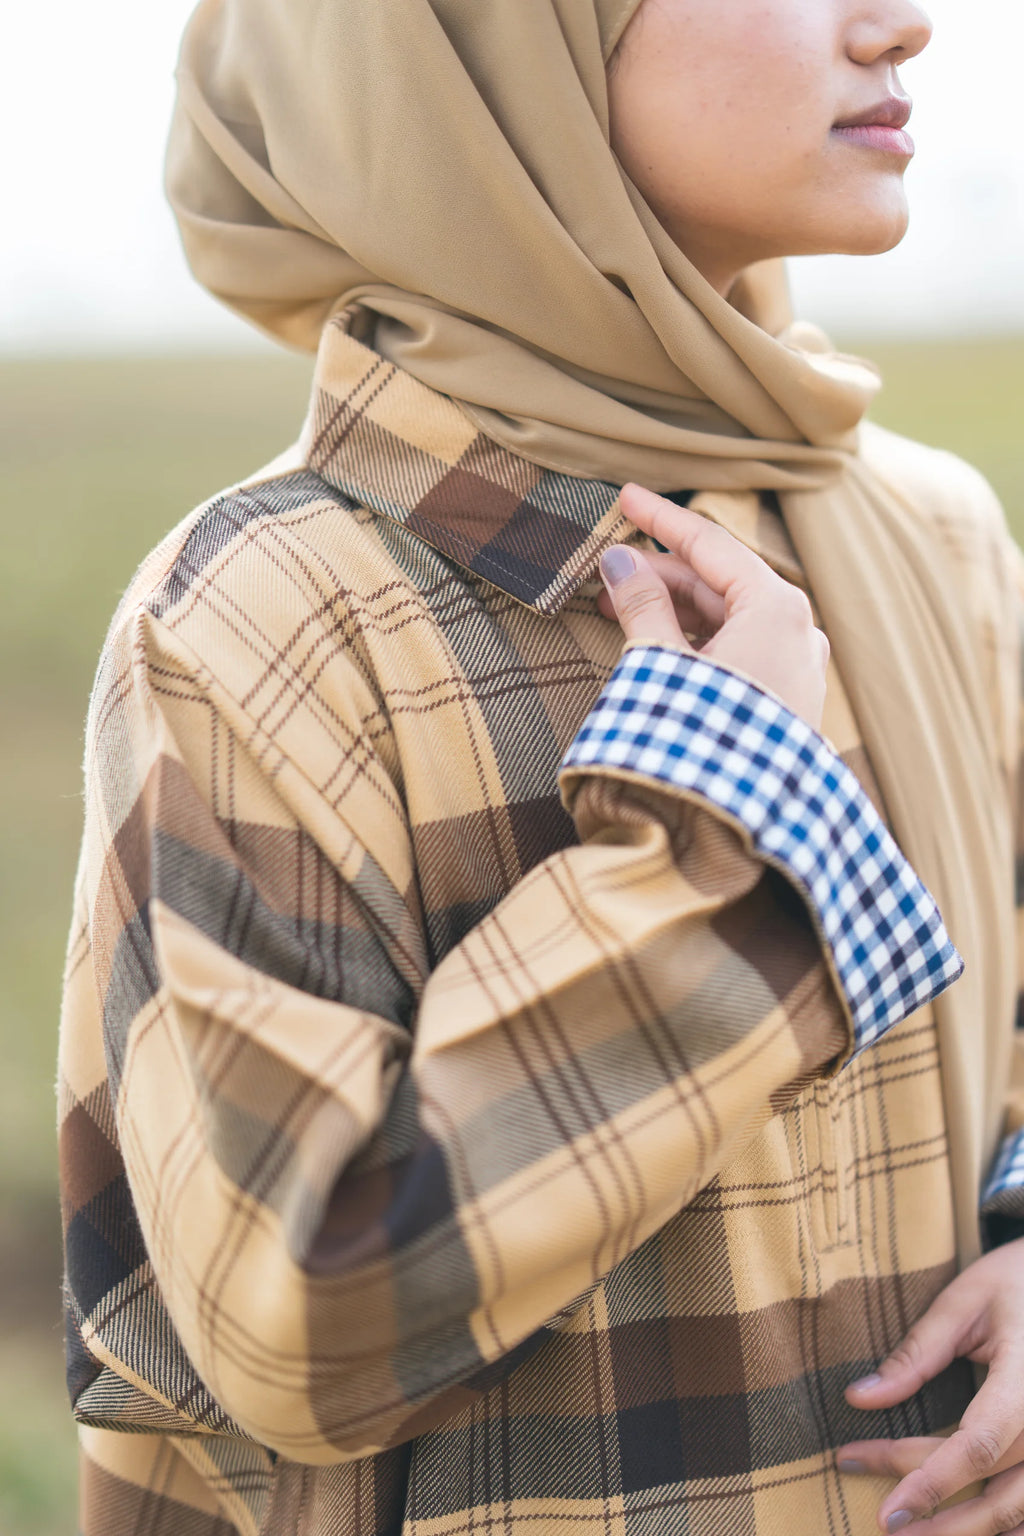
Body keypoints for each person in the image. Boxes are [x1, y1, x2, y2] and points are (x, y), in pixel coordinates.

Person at [56, 1, 1024, 1533]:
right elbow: (299, 1320)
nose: (902, 22)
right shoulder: (268, 613)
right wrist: (718, 828)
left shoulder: (936, 536)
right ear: (504, 57)